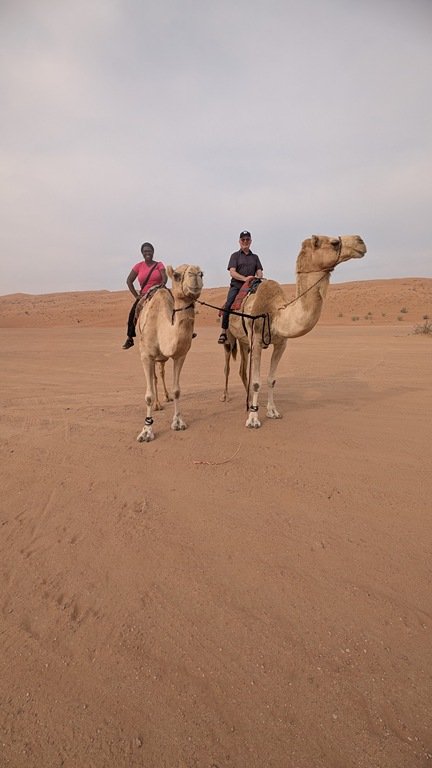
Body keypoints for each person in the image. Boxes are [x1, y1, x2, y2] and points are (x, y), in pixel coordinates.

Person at [218, 230, 263, 344]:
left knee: (263, 303)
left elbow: (259, 272)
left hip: (252, 286)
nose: (245, 241)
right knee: (228, 304)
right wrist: (245, 279)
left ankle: (264, 331)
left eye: (247, 239)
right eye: (243, 240)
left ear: (251, 241)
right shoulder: (235, 256)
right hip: (237, 286)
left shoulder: (255, 257)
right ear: (239, 241)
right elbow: (232, 272)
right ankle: (224, 332)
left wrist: (258, 277)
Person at [122, 242, 167, 349]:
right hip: (145, 294)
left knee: (176, 304)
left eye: (149, 251)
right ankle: (130, 338)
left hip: (159, 291)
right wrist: (136, 296)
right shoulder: (138, 266)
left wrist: (163, 283)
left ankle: (184, 330)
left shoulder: (159, 264)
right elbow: (129, 281)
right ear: (142, 253)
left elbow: (164, 277)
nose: (147, 253)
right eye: (145, 251)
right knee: (133, 313)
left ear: (153, 252)